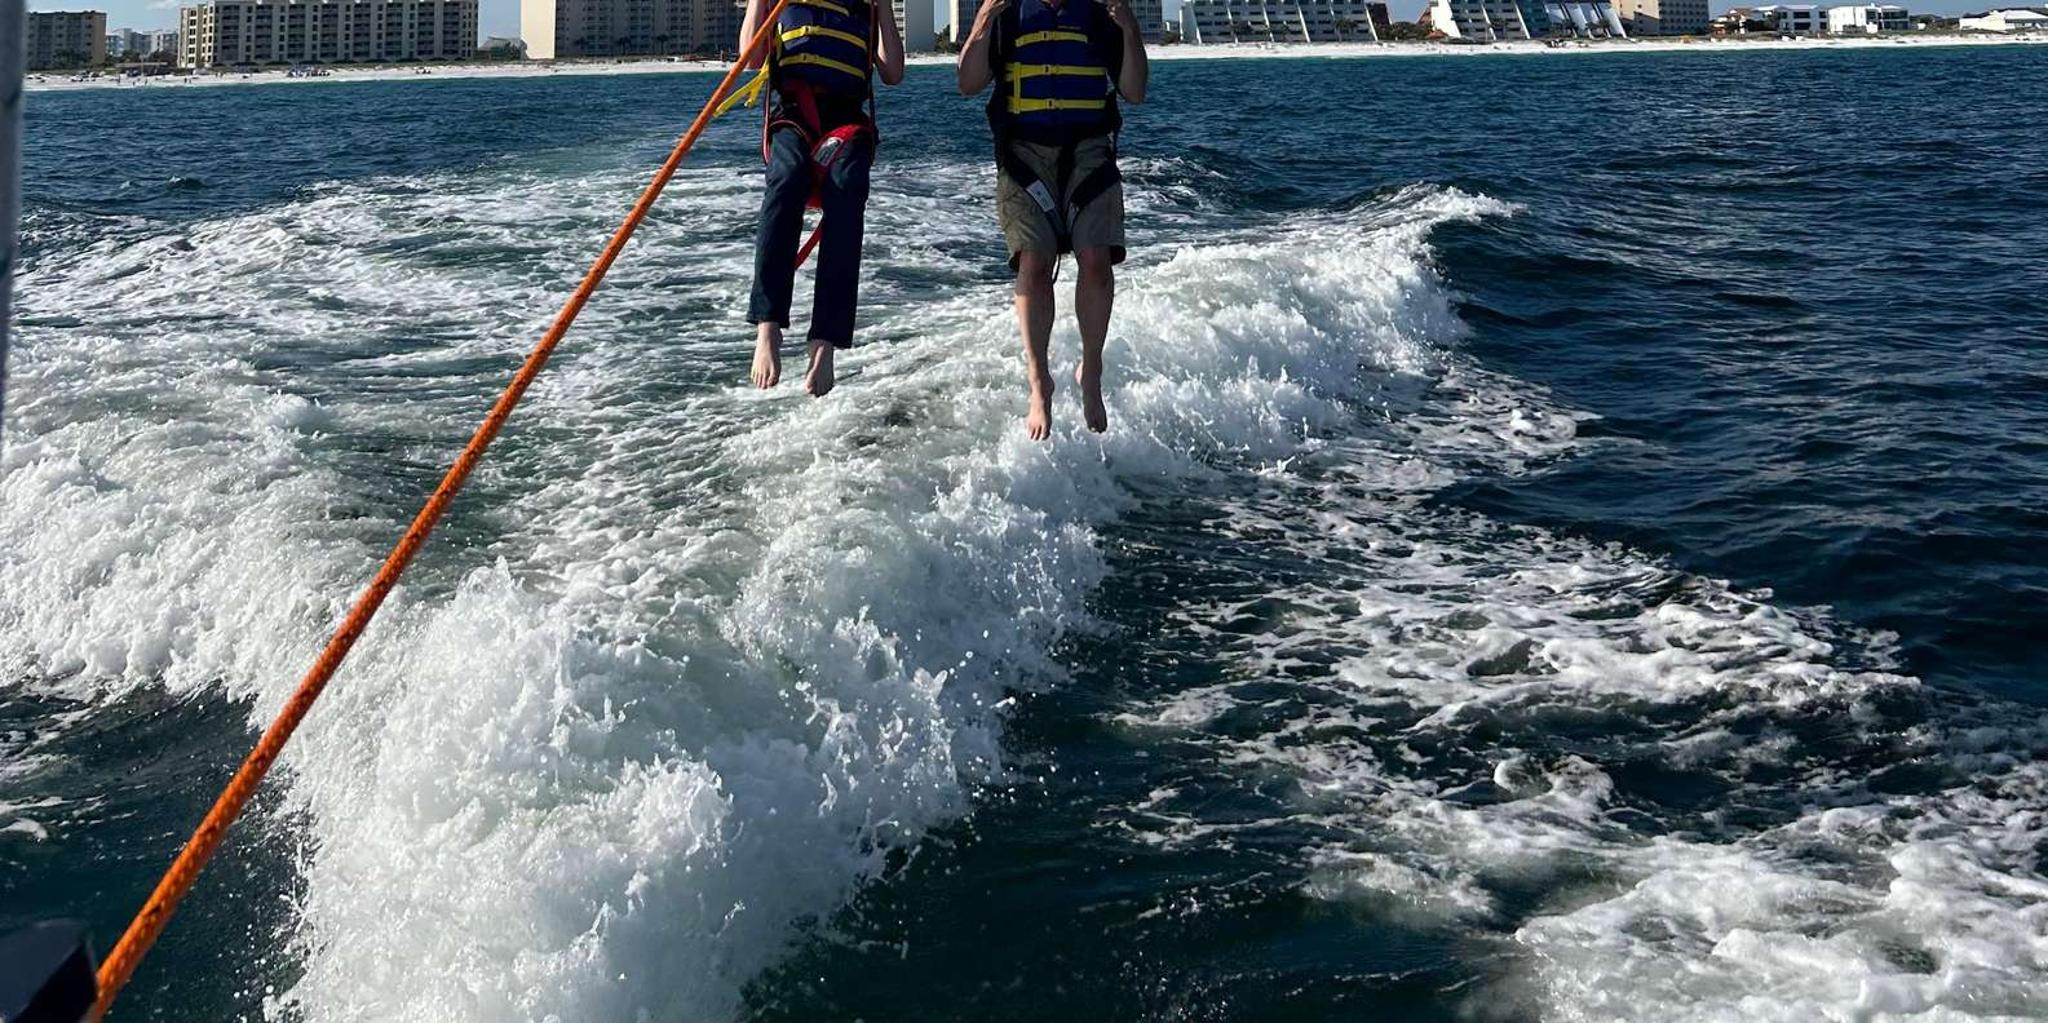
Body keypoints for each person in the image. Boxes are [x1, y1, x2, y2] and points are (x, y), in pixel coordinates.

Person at [955, 0, 1147, 440]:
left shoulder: (1102, 14)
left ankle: (1091, 368)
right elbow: (967, 84)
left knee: (1096, 260)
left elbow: (1134, 92)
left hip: (1089, 152)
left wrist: (1130, 29)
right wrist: (983, 19)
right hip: (1024, 155)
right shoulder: (1005, 15)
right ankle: (1039, 380)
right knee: (1034, 264)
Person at [743, 0, 906, 396]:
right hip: (795, 117)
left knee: (847, 192)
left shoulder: (865, 6)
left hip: (847, 125)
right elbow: (751, 60)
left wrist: (883, 8)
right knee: (786, 179)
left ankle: (825, 343)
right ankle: (768, 326)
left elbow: (894, 73)